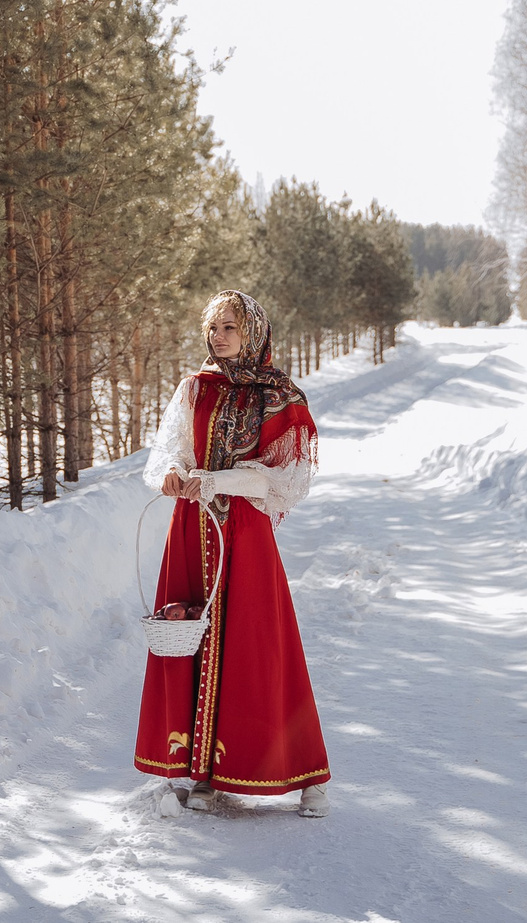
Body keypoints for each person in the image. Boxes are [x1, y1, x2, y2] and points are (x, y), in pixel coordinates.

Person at [133, 289, 332, 817]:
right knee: (188, 638)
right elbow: (168, 452)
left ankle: (305, 772)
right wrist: (176, 474)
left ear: (255, 334)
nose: (218, 338)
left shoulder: (278, 397)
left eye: (230, 328)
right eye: (213, 327)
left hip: (244, 531)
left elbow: (284, 480)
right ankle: (198, 771)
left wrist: (214, 479)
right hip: (190, 529)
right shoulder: (194, 388)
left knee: (258, 645)